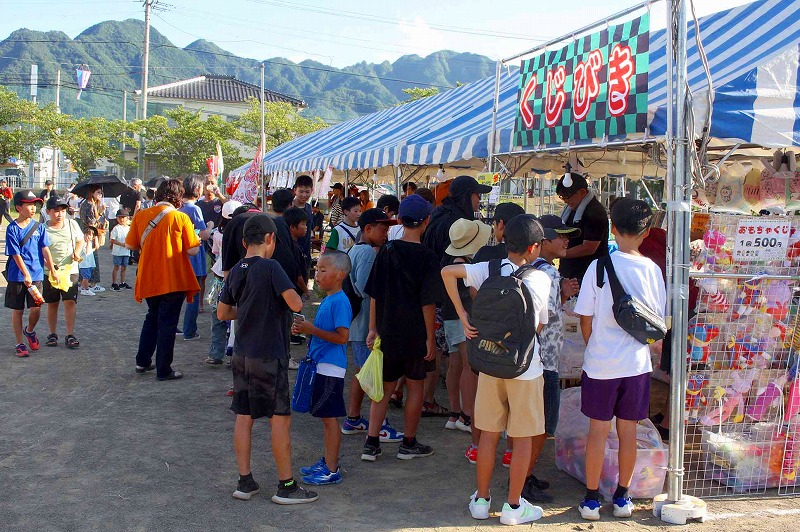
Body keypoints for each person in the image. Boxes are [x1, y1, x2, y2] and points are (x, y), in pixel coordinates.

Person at [440, 214, 550, 525]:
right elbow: (540, 323)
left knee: (488, 433)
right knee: (523, 437)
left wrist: (463, 315)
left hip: (489, 363)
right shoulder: (540, 277)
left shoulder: (487, 268)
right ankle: (514, 506)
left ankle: (481, 499)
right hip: (525, 367)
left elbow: (447, 272)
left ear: (504, 242)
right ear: (533, 247)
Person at [573, 198, 665, 521]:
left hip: (601, 364)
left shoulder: (598, 267)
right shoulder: (653, 271)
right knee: (629, 433)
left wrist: (594, 344)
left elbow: (584, 317)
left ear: (613, 228)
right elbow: (658, 322)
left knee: (597, 431)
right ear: (647, 232)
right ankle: (623, 497)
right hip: (637, 365)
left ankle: (591, 499)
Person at [216, 214, 318, 505]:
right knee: (279, 419)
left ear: (245, 241)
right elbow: (296, 303)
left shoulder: (235, 270)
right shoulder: (272, 267)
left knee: (244, 416)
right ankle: (286, 486)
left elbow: (223, 313)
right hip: (270, 354)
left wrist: (247, 311)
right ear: (271, 239)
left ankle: (245, 481)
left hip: (242, 354)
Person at [361, 194, 442, 461]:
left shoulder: (387, 250)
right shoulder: (429, 258)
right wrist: (431, 338)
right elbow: (427, 304)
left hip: (387, 330)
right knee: (415, 387)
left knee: (383, 388)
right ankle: (409, 442)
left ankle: (371, 443)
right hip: (416, 333)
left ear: (401, 220)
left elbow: (375, 294)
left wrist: (373, 328)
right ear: (426, 221)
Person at [125, 179, 202, 381]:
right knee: (167, 323)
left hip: (149, 276)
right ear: (178, 197)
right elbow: (192, 249)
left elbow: (131, 245)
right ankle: (164, 369)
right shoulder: (181, 218)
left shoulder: (141, 216)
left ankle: (142, 361)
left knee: (152, 317)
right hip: (173, 278)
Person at [340, 208, 402, 442]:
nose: (386, 233)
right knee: (375, 376)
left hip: (359, 324)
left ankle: (354, 418)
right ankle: (380, 425)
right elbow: (369, 288)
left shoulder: (356, 249)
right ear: (367, 229)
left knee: (362, 373)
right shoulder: (367, 253)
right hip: (367, 324)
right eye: (383, 228)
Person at [292, 251, 352, 486]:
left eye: (323, 270)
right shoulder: (329, 298)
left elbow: (342, 338)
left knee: (329, 419)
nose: (317, 275)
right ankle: (327, 461)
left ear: (340, 274)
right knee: (325, 418)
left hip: (331, 368)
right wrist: (304, 329)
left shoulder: (340, 301)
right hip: (321, 365)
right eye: (316, 270)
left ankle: (331, 468)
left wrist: (311, 330)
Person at [439, 218, 491, 465]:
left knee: (456, 363)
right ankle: (466, 416)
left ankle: (455, 412)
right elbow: (472, 295)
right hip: (463, 319)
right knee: (470, 366)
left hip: (451, 318)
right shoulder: (464, 265)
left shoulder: (452, 262)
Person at [4, 189, 54, 357]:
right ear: (18, 207)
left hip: (37, 274)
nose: (33, 208)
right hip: (17, 276)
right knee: (18, 310)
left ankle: (30, 331)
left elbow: (45, 249)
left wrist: (52, 269)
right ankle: (19, 343)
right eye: (29, 205)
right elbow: (15, 254)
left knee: (36, 308)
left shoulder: (39, 227)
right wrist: (25, 274)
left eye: (35, 205)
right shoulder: (12, 228)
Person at [42, 195, 84, 349]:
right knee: (52, 304)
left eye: (63, 210)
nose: (60, 214)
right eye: (56, 211)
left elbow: (80, 240)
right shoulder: (43, 229)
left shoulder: (72, 224)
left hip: (70, 270)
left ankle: (70, 334)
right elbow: (41, 251)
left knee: (70, 302)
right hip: (50, 272)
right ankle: (52, 334)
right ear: (48, 212)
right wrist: (50, 266)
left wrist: (77, 253)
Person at [423, 175, 492, 263]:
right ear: (467, 195)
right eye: (477, 194)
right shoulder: (459, 223)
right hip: (446, 273)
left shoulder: (440, 212)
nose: (479, 199)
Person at [205, 199, 241, 366]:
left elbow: (215, 253)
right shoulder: (242, 233)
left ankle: (215, 353)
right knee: (236, 319)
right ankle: (235, 355)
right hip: (237, 277)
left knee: (217, 315)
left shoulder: (219, 234)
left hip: (220, 276)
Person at [555, 172, 609, 282]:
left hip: (588, 273)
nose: (565, 200)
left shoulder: (595, 212)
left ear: (582, 192)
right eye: (562, 197)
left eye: (567, 196)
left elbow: (589, 247)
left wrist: (561, 253)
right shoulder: (571, 209)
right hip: (569, 270)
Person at [178, 175, 213, 338]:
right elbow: (204, 234)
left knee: (178, 294)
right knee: (193, 294)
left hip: (179, 255)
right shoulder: (194, 208)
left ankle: (175, 326)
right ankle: (189, 330)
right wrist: (210, 225)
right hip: (194, 255)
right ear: (198, 189)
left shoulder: (177, 207)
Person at [79, 185, 107, 292]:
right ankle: (90, 283)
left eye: (101, 193)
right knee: (90, 259)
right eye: (98, 192)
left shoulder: (90, 204)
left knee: (89, 259)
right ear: (92, 193)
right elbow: (91, 222)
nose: (100, 195)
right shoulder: (89, 205)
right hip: (89, 234)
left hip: (89, 233)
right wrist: (99, 213)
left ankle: (86, 283)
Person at [291, 175, 314, 262]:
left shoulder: (308, 207)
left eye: (307, 192)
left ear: (312, 191)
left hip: (306, 254)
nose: (304, 195)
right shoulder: (290, 208)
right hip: (292, 255)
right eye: (301, 191)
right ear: (295, 190)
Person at [109, 208, 133, 291]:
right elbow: (112, 239)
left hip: (126, 251)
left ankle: (122, 282)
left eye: (123, 217)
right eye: (119, 217)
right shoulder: (116, 228)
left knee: (124, 267)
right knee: (116, 267)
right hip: (118, 251)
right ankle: (114, 283)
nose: (121, 219)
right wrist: (122, 244)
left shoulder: (129, 228)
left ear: (127, 218)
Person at [78, 226, 99, 296]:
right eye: (88, 234)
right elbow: (86, 252)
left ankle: (83, 287)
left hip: (89, 263)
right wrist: (89, 243)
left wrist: (94, 248)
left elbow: (90, 251)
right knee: (86, 277)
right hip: (84, 263)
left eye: (91, 235)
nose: (90, 237)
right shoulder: (83, 243)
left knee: (88, 276)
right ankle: (85, 289)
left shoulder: (88, 243)